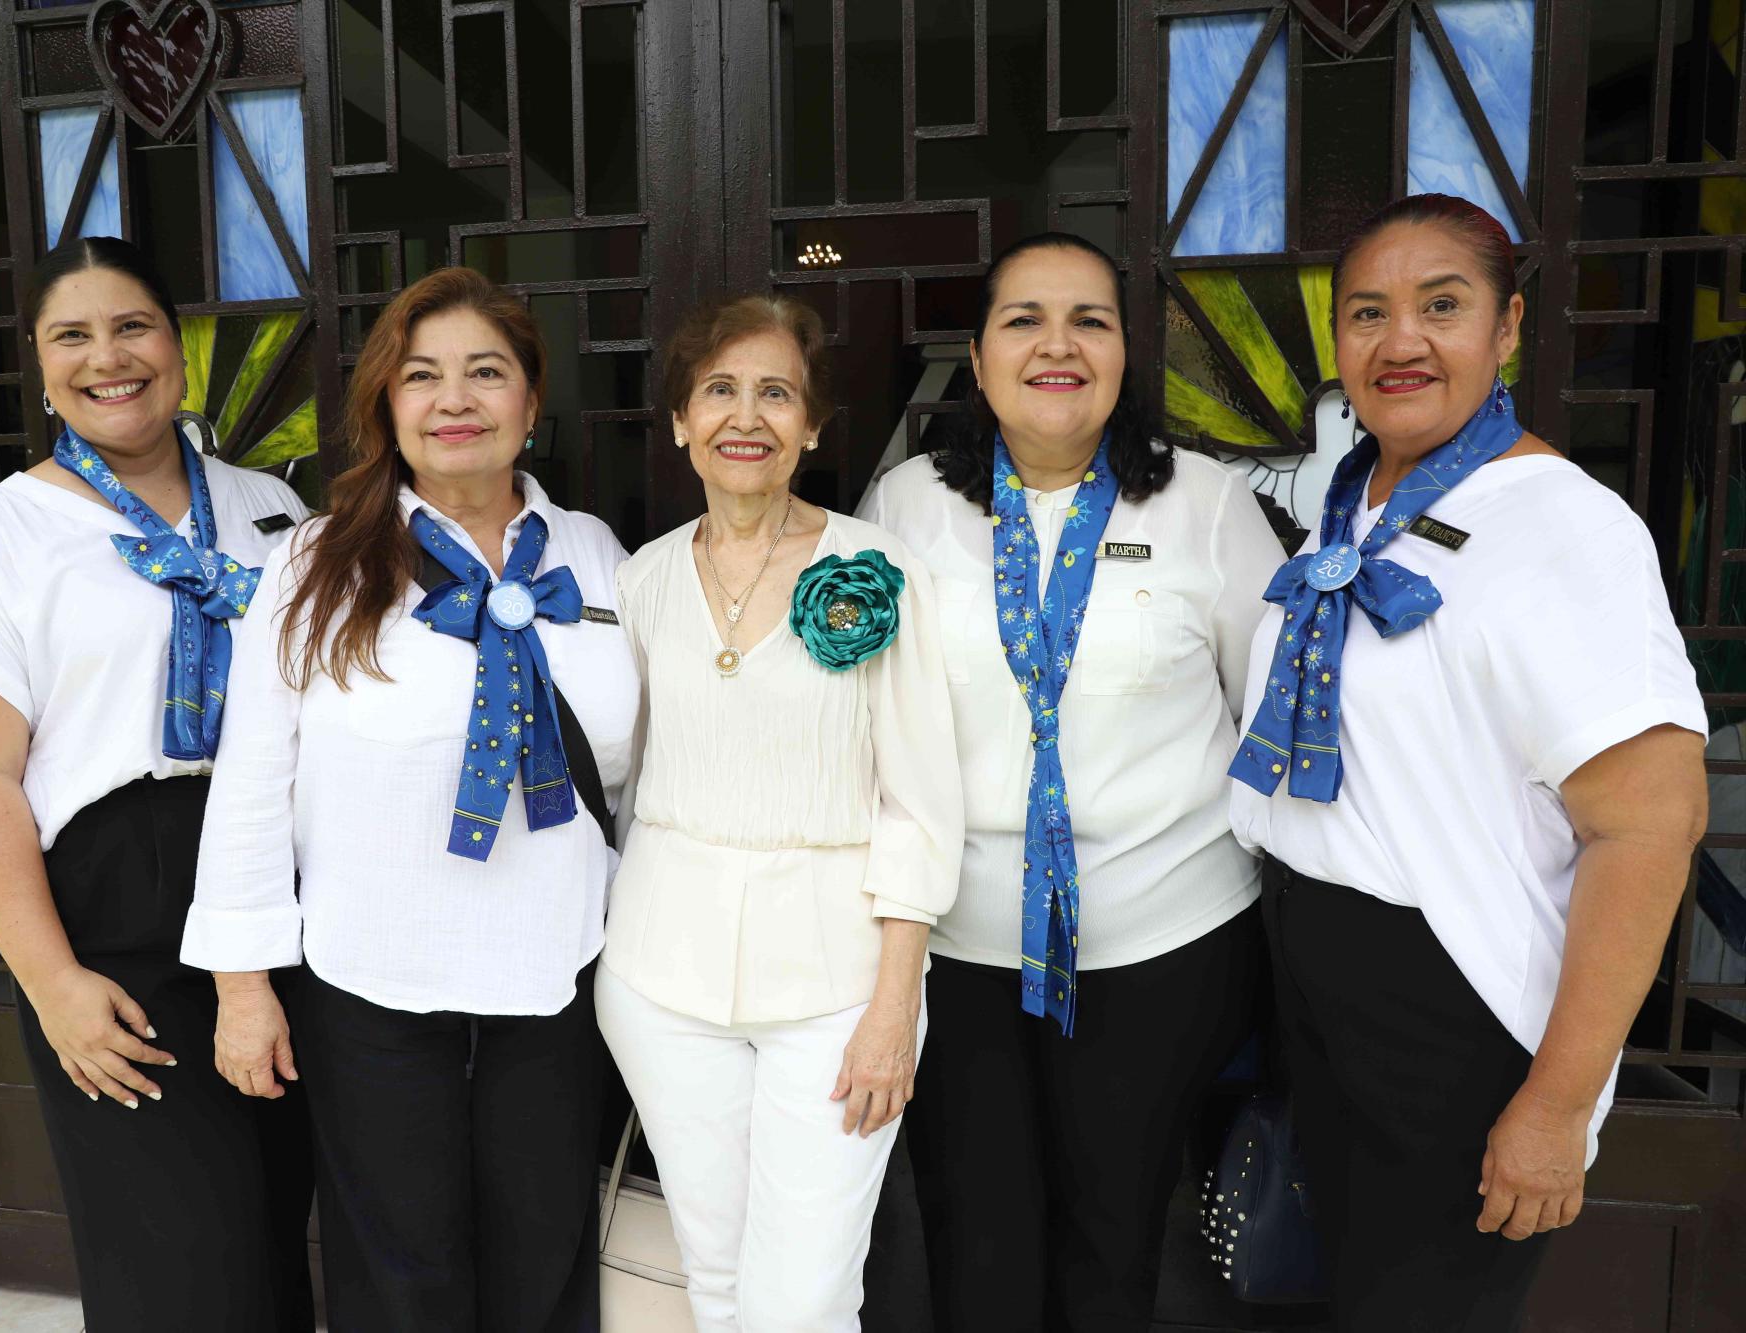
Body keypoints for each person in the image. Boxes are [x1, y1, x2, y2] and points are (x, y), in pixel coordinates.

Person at [1228, 193, 1709, 1332]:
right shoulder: (1357, 500)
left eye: (1440, 306)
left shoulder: (1562, 525)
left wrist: (1554, 1103)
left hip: (1449, 1010)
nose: (1398, 341)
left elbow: (1646, 824)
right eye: (1366, 312)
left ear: (1504, 330)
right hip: (1316, 970)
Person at [181, 266, 640, 1331]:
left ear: (530, 401)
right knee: (400, 1273)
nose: (455, 399)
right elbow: (252, 778)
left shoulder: (598, 556)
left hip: (555, 973)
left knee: (545, 1259)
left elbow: (641, 768)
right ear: (386, 405)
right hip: (373, 981)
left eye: (487, 372)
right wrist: (242, 988)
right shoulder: (312, 561)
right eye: (421, 375)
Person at [860, 231, 1286, 1332]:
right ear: (978, 352)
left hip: (1161, 940)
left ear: (1123, 352)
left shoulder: (1205, 504)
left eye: (1088, 320)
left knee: (1113, 1235)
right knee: (975, 1235)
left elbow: (1269, 708)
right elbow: (853, 708)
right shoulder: (905, 506)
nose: (1057, 345)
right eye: (1023, 319)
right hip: (955, 947)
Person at [0, 236, 314, 1331]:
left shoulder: (267, 506)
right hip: (117, 910)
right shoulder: (0, 534)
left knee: (276, 1226)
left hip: (279, 895)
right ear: (40, 367)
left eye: (132, 325)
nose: (109, 357)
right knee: (180, 1264)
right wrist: (50, 983)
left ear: (176, 346)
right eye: (72, 337)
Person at [595, 293, 963, 1331]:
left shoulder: (876, 570)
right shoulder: (642, 578)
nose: (742, 415)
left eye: (773, 392)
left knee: (802, 1298)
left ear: (810, 425)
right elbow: (621, 773)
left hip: (838, 987)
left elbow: (920, 799)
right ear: (677, 422)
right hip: (660, 976)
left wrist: (893, 1007)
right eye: (716, 390)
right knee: (713, 1276)